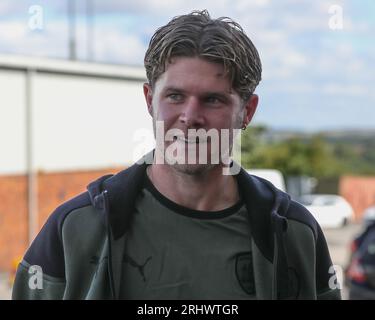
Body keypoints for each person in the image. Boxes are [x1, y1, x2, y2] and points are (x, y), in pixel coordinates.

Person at [12, 10, 341, 300]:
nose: (190, 117)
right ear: (149, 99)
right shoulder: (74, 231)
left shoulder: (295, 236)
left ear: (247, 111)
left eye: (213, 100)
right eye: (175, 96)